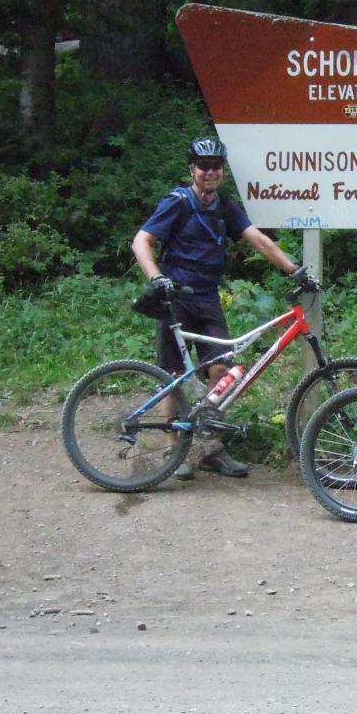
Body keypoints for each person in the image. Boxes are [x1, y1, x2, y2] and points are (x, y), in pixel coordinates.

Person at [132, 136, 305, 480]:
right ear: (192, 169)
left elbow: (257, 238)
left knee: (221, 371)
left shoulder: (225, 206)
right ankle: (172, 449)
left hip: (208, 298)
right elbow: (141, 240)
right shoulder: (178, 202)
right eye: (203, 166)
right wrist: (156, 278)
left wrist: (293, 269)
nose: (210, 172)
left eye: (216, 166)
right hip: (176, 297)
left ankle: (212, 447)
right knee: (173, 376)